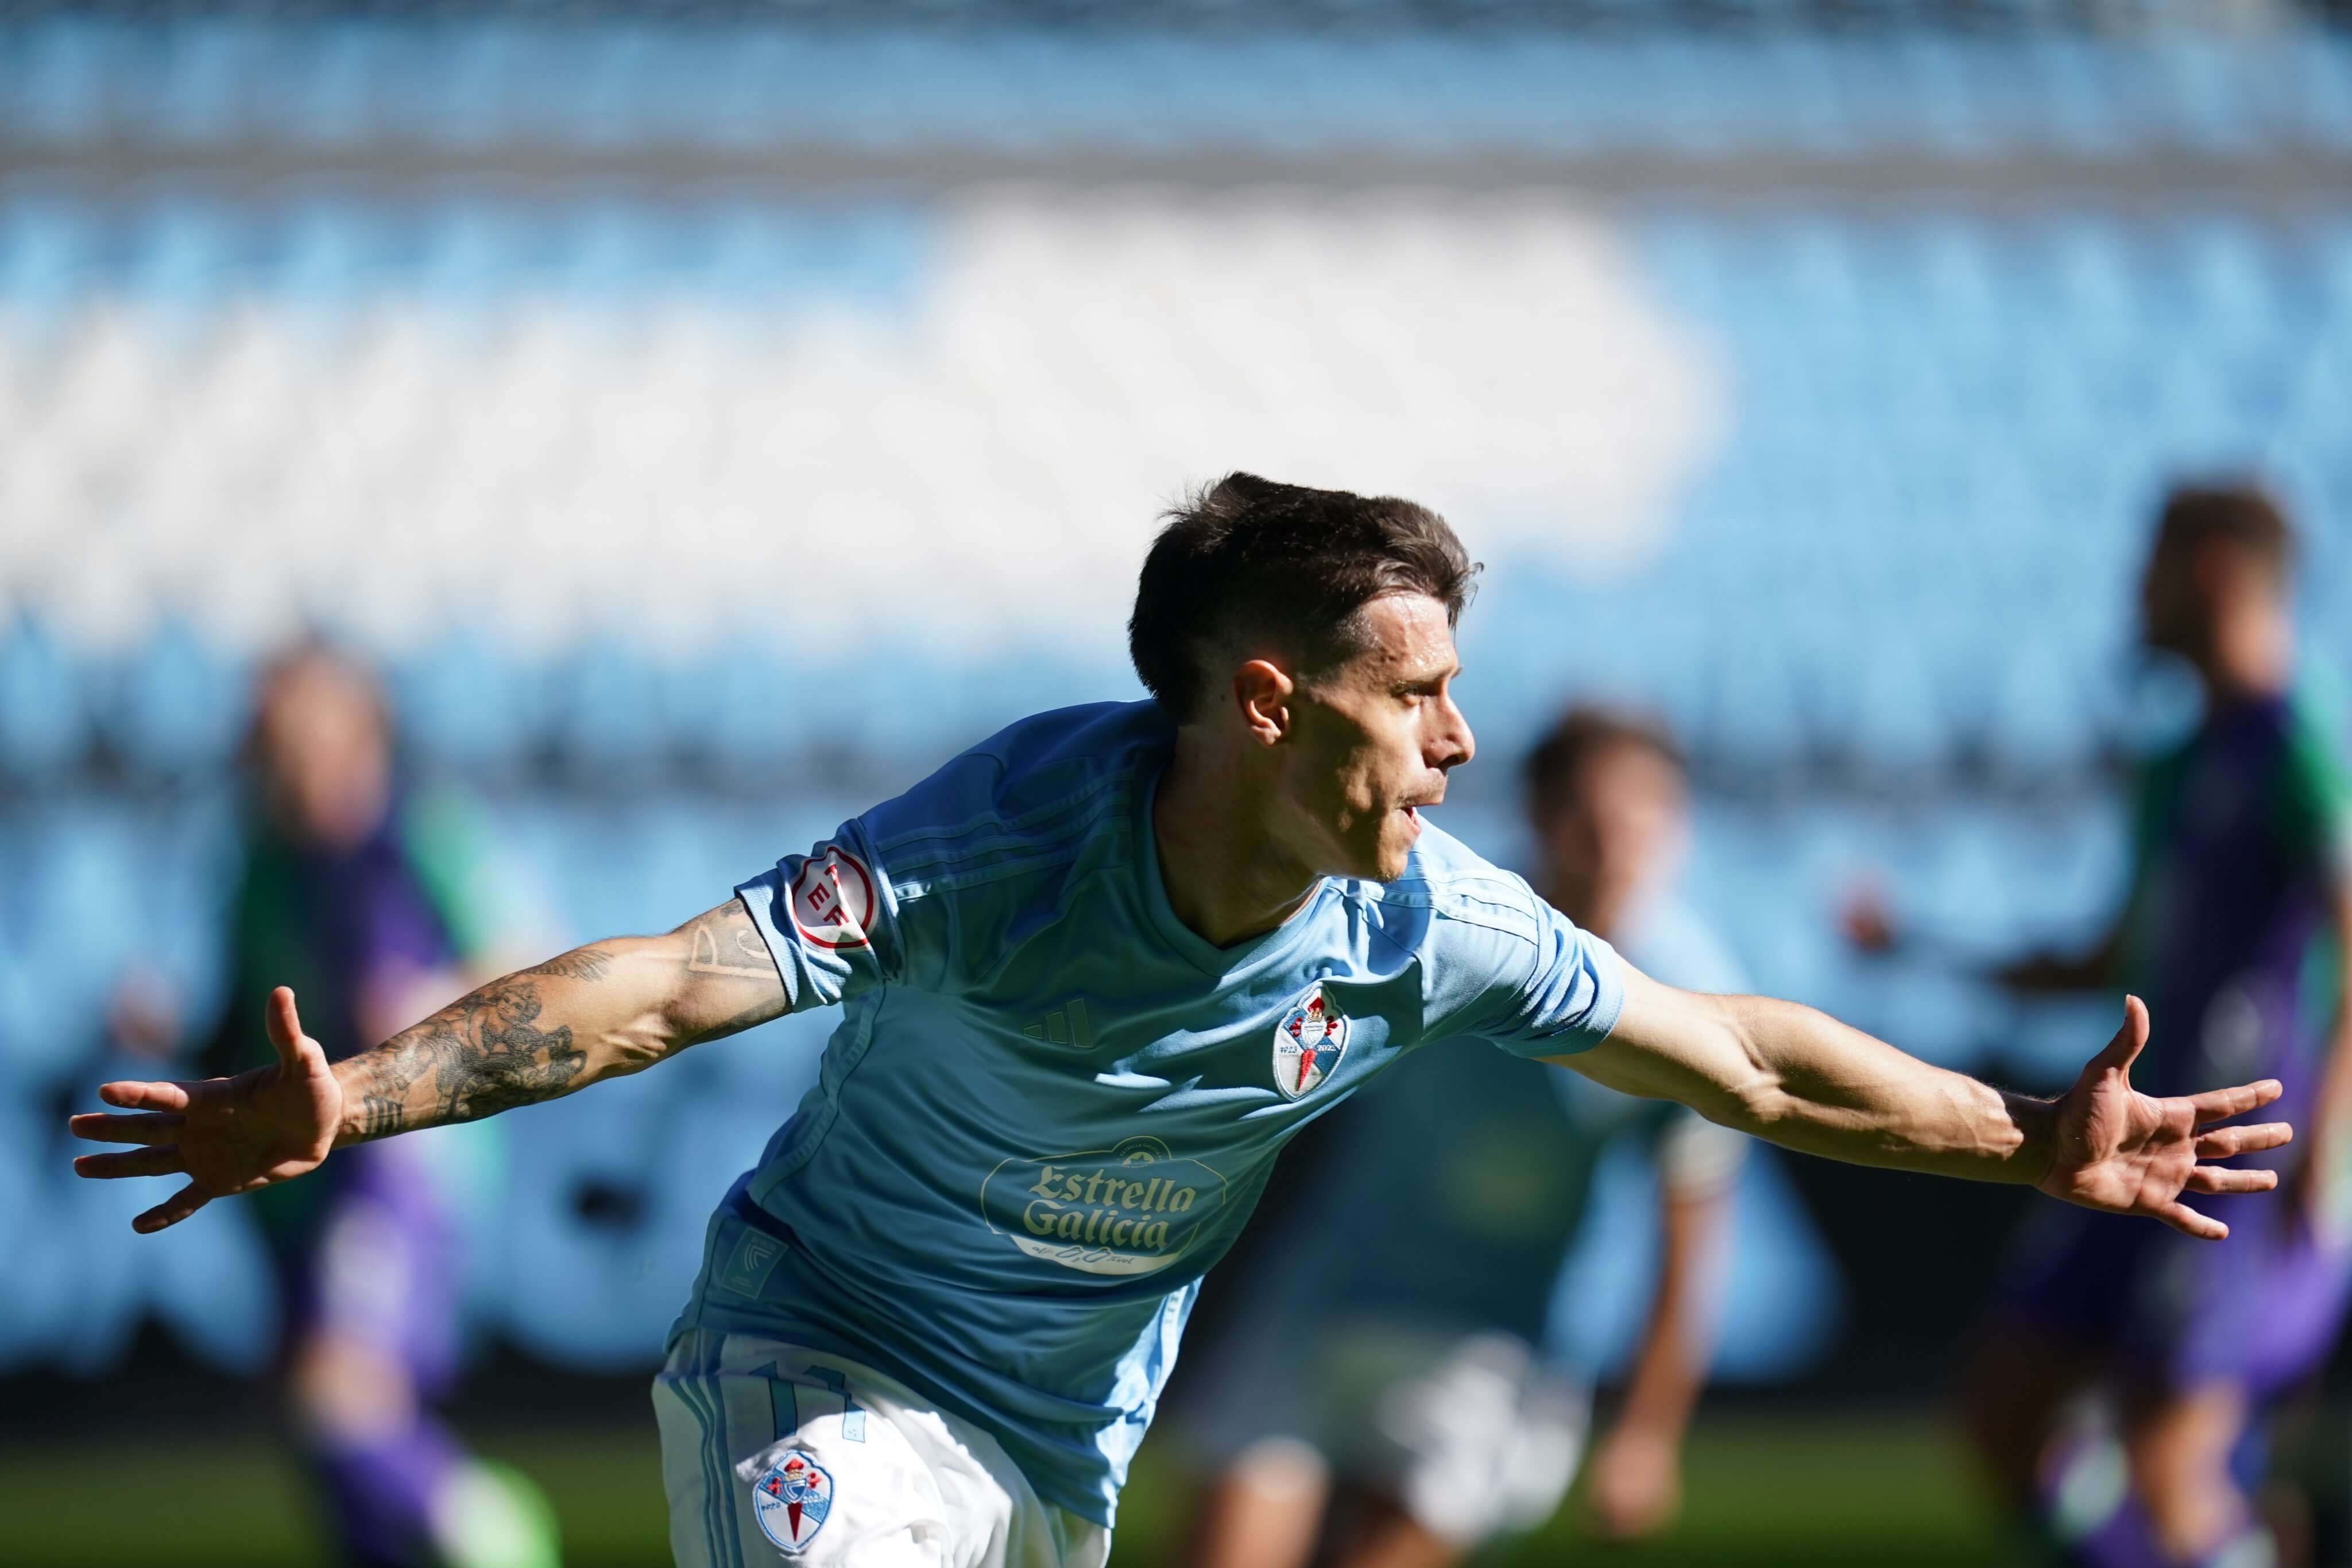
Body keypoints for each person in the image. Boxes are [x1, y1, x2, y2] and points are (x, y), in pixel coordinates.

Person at [74, 474, 2290, 1568]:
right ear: (1268, 704)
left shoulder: (1422, 921)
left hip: (1057, 1457)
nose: (1459, 740)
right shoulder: (999, 848)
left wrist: (2022, 1132)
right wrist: (364, 1094)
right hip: (819, 1361)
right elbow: (662, 983)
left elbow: (1734, 1053)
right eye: (1418, 695)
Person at [1852, 484, 2352, 1568]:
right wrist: (1924, 945)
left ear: (2212, 571)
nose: (2136, 593)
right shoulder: (2178, 766)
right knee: (2005, 1417)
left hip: (2249, 1164)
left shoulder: (2294, 741)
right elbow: (2111, 959)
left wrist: (2335, 1142)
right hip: (2140, 1145)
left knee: (2170, 1466)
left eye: (2154, 565)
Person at [1174, 706, 1744, 1568]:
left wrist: (1647, 1437)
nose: (1616, 845)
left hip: (1490, 1351)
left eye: (1644, 817)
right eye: (1590, 818)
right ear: (1540, 818)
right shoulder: (1436, 930)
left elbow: (1690, 1245)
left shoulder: (1690, 1000)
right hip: (1321, 1305)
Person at [184, 644, 559, 1568]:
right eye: (271, 748)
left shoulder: (420, 836)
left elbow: (537, 960)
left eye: (301, 743)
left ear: (361, 738)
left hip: (398, 1166)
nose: (285, 768)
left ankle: (488, 1527)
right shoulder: (263, 864)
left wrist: (430, 995)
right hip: (294, 1178)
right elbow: (239, 1019)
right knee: (318, 1437)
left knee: (337, 1399)